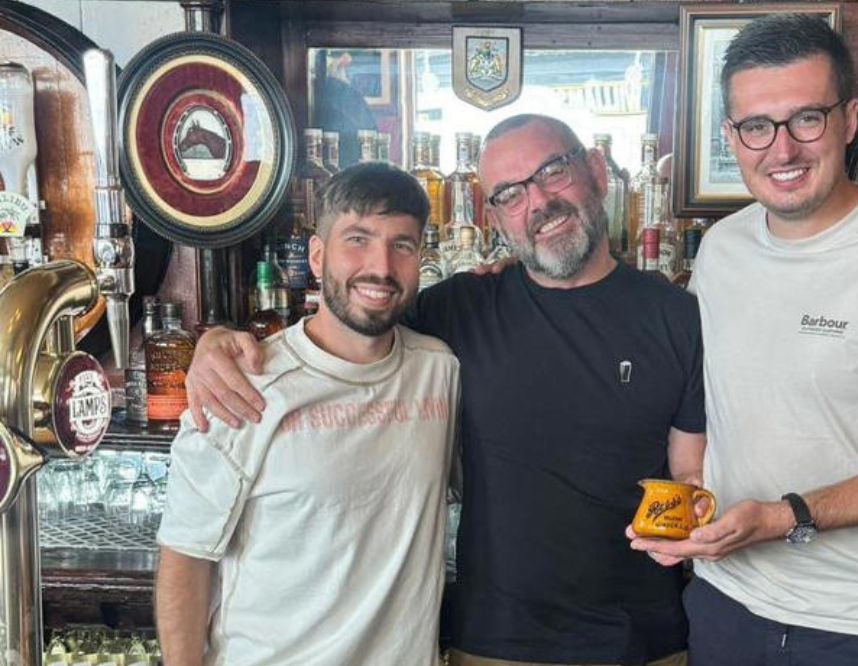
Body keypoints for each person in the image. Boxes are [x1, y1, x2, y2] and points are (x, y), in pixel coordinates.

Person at [183, 114, 706, 666]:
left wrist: (700, 512)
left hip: (644, 643)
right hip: (492, 644)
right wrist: (215, 341)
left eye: (552, 172)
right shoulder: (458, 309)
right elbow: (350, 324)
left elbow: (688, 471)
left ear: (597, 171)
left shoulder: (677, 316)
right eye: (510, 194)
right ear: (496, 217)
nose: (538, 203)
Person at [628, 14, 858, 666]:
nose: (781, 150)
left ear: (849, 119)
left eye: (806, 118)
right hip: (723, 603)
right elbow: (713, 409)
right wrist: (691, 502)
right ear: (731, 136)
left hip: (855, 626)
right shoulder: (722, 249)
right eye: (756, 126)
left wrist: (784, 517)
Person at [155, 162, 460, 666]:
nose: (380, 267)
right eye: (357, 239)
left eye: (401, 245)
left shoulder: (439, 370)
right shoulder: (241, 385)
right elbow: (186, 558)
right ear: (317, 256)